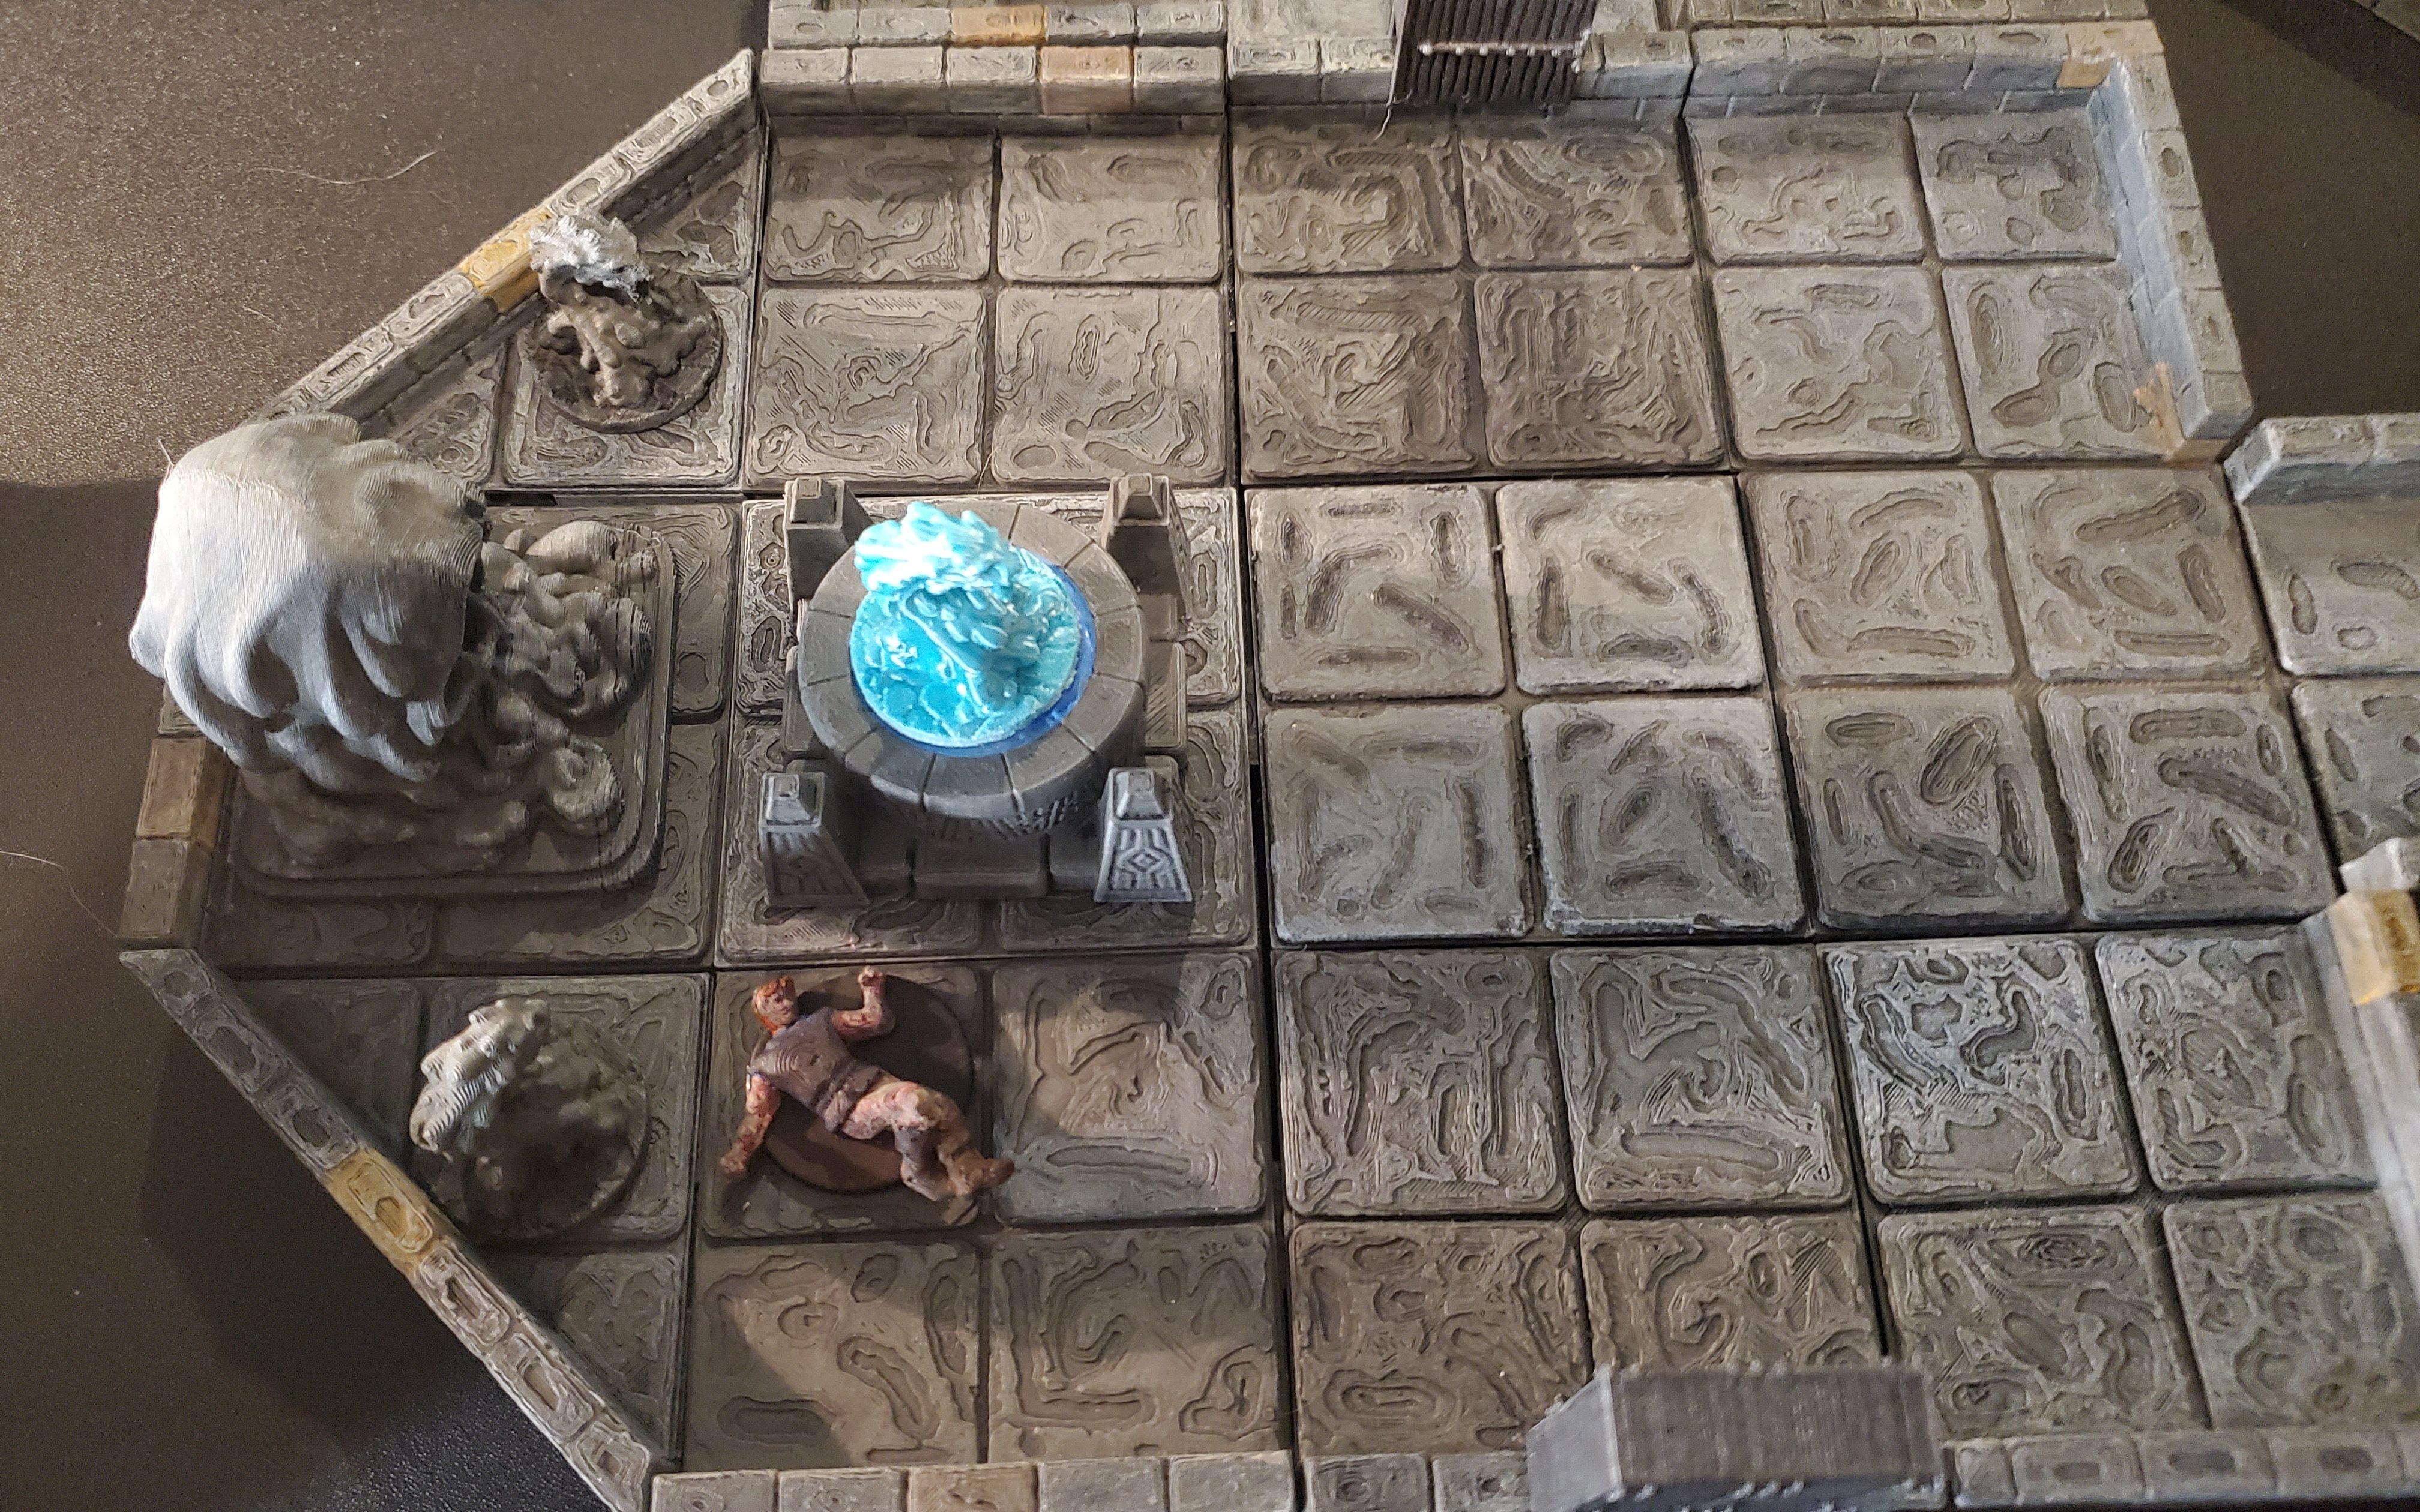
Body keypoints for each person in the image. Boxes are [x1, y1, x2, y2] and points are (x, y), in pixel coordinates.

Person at [717, 967, 1013, 1201]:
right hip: (847, 1107)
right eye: (777, 1000)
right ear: (763, 1012)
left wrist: (872, 990)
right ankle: (919, 1174)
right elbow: (758, 1114)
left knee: (938, 1106)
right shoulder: (765, 1066)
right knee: (909, 1101)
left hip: (875, 1081)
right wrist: (739, 1154)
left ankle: (966, 1169)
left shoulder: (820, 1022)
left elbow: (874, 1021)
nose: (786, 1003)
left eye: (788, 996)